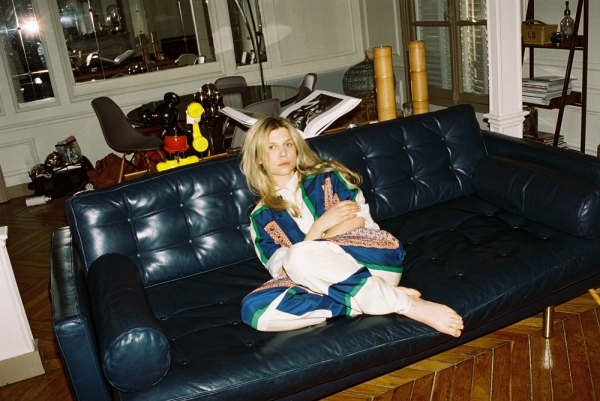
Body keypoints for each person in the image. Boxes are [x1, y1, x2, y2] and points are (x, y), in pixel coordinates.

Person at [239, 115, 463, 337]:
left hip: (372, 258)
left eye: (288, 144)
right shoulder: (260, 218)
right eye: (271, 147)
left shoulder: (326, 176)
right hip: (324, 283)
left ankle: (408, 305)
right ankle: (378, 298)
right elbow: (283, 270)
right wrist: (320, 227)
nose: (283, 153)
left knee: (298, 256)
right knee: (256, 310)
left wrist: (309, 248)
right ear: (258, 158)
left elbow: (355, 221)